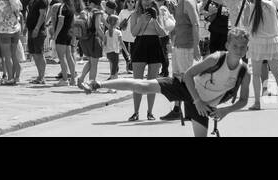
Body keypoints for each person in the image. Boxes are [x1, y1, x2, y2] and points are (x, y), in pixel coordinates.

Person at [97, 28, 253, 137]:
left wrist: (226, 110)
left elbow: (243, 100)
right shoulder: (216, 59)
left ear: (247, 49)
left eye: (242, 47)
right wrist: (196, 100)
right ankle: (99, 84)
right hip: (187, 88)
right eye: (235, 46)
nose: (238, 50)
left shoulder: (245, 72)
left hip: (204, 105)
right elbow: (188, 75)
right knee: (143, 86)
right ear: (227, 46)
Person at [126, 0, 166, 120]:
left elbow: (163, 33)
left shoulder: (157, 14)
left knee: (152, 82)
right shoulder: (135, 15)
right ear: (140, 2)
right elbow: (133, 33)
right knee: (137, 82)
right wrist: (142, 21)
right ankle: (136, 112)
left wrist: (154, 20)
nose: (147, 7)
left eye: (150, 4)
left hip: (154, 44)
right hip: (140, 45)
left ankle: (150, 112)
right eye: (145, 4)